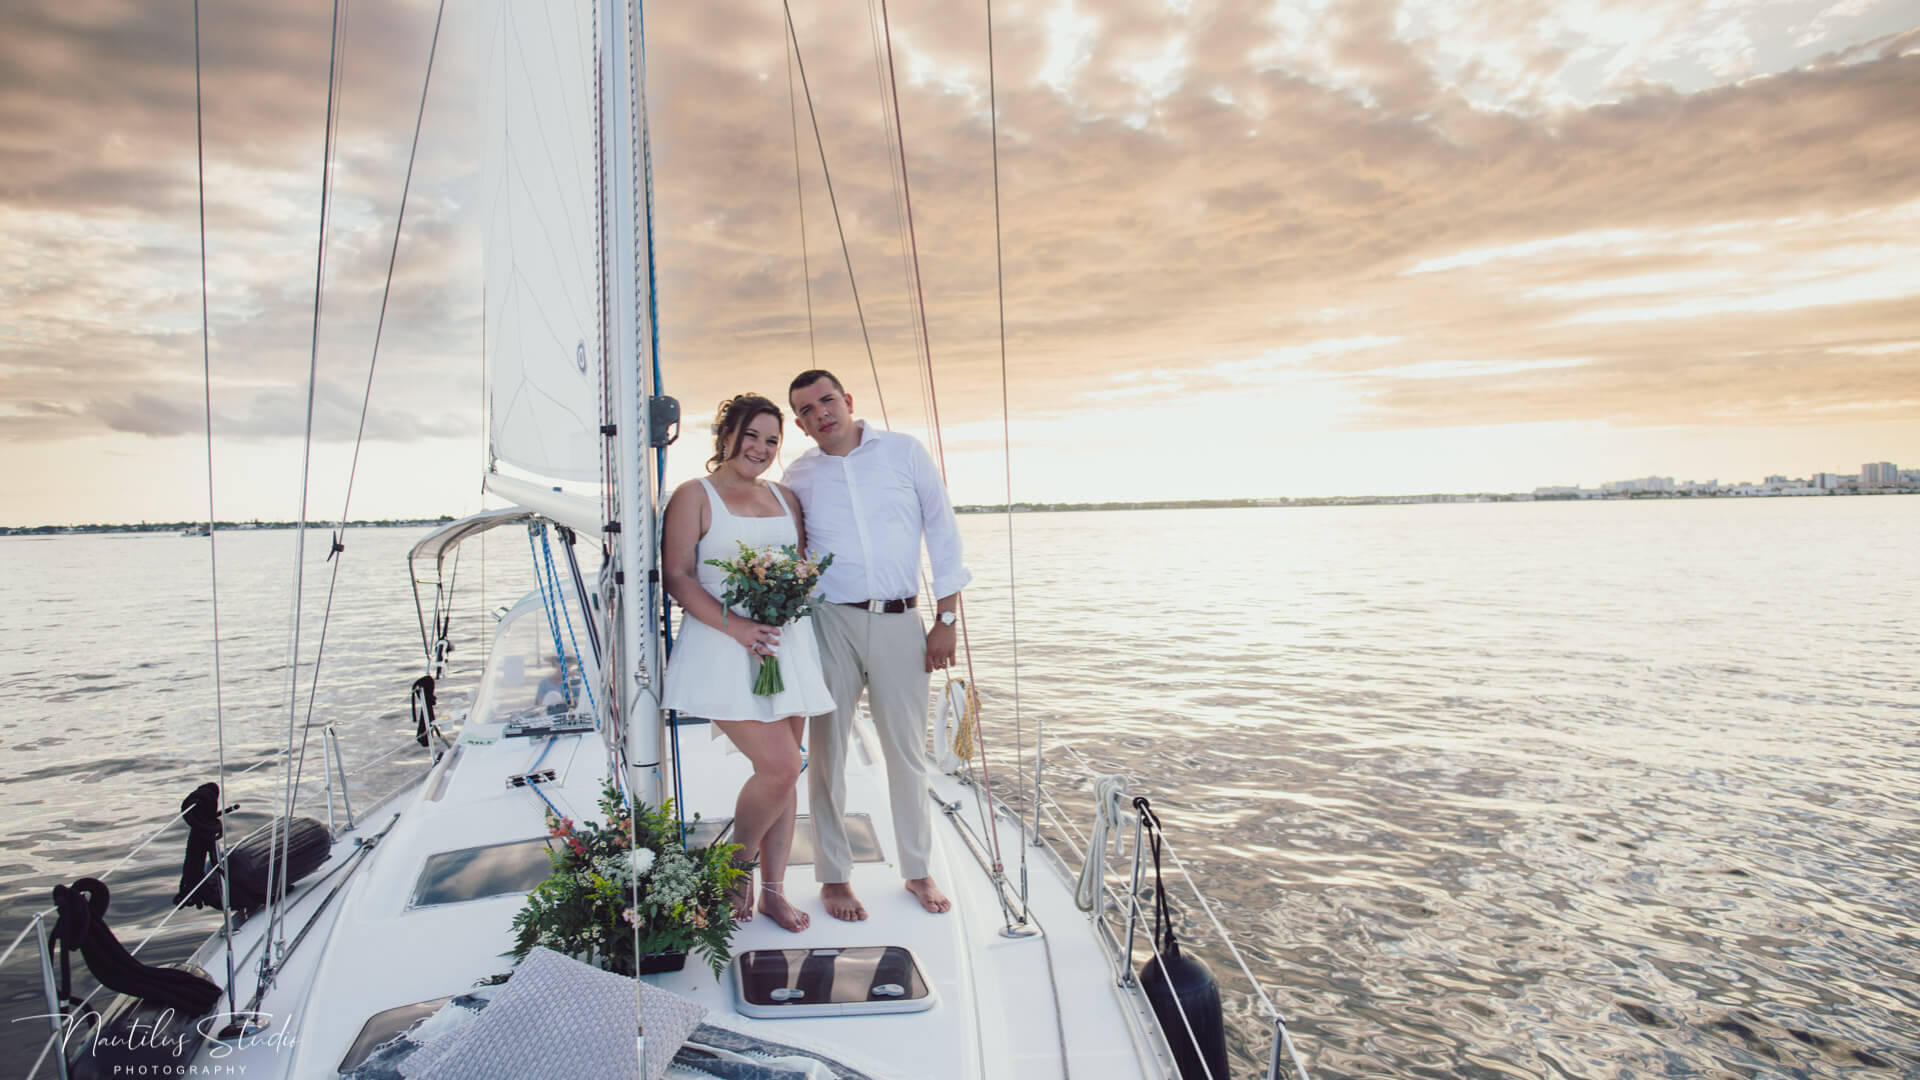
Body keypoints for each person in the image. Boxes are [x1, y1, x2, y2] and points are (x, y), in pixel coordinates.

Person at [785, 369, 971, 920]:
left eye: (827, 400)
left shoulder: (903, 452)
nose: (821, 413)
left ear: (847, 401)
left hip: (899, 620)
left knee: (907, 754)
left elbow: (942, 531)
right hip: (828, 622)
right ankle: (834, 878)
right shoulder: (799, 474)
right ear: (799, 424)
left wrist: (946, 619)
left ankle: (917, 870)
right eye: (807, 410)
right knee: (827, 755)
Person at [660, 394, 834, 932]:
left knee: (787, 775)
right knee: (780, 766)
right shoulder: (694, 495)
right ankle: (736, 870)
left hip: (787, 645)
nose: (760, 448)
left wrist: (785, 599)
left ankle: (774, 894)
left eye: (772, 440)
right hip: (722, 646)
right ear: (726, 436)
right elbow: (678, 576)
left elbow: (799, 568)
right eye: (751, 435)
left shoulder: (785, 498)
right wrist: (736, 626)